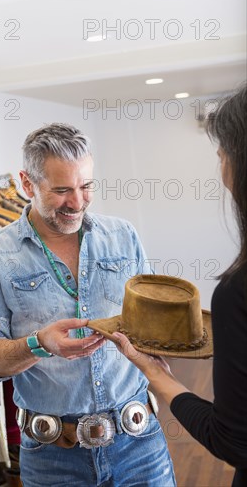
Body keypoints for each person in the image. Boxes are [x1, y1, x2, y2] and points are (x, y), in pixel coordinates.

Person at [0, 123, 176, 486]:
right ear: (28, 183)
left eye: (86, 186)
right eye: (62, 190)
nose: (77, 202)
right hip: (52, 460)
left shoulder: (123, 235)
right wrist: (39, 344)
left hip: (139, 444)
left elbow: (154, 322)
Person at [113, 85, 247, 487]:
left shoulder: (237, 293)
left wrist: (158, 376)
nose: (220, 165)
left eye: (222, 154)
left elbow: (235, 442)